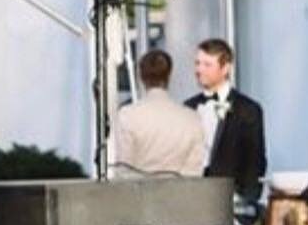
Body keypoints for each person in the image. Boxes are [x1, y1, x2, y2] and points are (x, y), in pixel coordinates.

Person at [185, 38, 266, 204]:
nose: (199, 70)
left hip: (230, 201)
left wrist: (246, 200)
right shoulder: (188, 108)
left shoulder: (248, 109)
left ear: (226, 68)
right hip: (191, 198)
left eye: (207, 65)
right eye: (197, 63)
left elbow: (255, 160)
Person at [112, 49, 206, 178]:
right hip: (180, 195)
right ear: (169, 76)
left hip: (139, 195)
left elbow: (123, 171)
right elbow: (194, 172)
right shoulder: (192, 118)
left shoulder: (127, 115)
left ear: (141, 77)